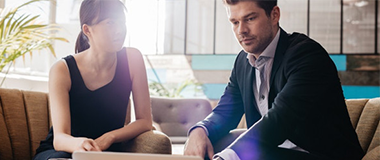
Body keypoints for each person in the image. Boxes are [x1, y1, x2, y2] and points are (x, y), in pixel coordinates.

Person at [184, 0, 364, 160]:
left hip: (318, 154)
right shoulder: (242, 62)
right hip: (274, 151)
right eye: (235, 22)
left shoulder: (307, 55)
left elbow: (280, 118)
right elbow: (225, 112)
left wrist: (227, 157)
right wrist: (200, 130)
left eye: (250, 18)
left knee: (245, 152)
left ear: (274, 15)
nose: (242, 30)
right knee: (211, 143)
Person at [33, 0, 152, 159]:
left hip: (106, 152)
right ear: (87, 30)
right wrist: (82, 145)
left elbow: (145, 121)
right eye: (110, 23)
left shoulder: (133, 59)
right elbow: (60, 138)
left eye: (121, 22)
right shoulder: (62, 70)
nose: (119, 30)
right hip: (63, 152)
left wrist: (109, 137)